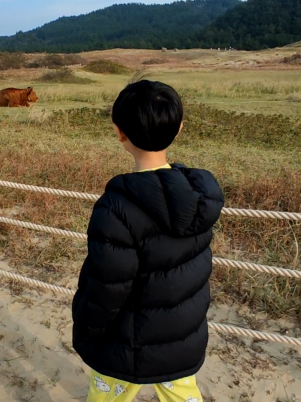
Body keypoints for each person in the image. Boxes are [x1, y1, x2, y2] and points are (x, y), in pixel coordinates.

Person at [72, 79, 224, 402]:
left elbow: (106, 288)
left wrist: (86, 328)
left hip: (123, 345)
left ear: (119, 132)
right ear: (180, 128)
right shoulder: (198, 199)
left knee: (106, 397)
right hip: (180, 341)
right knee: (183, 395)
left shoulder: (115, 208)